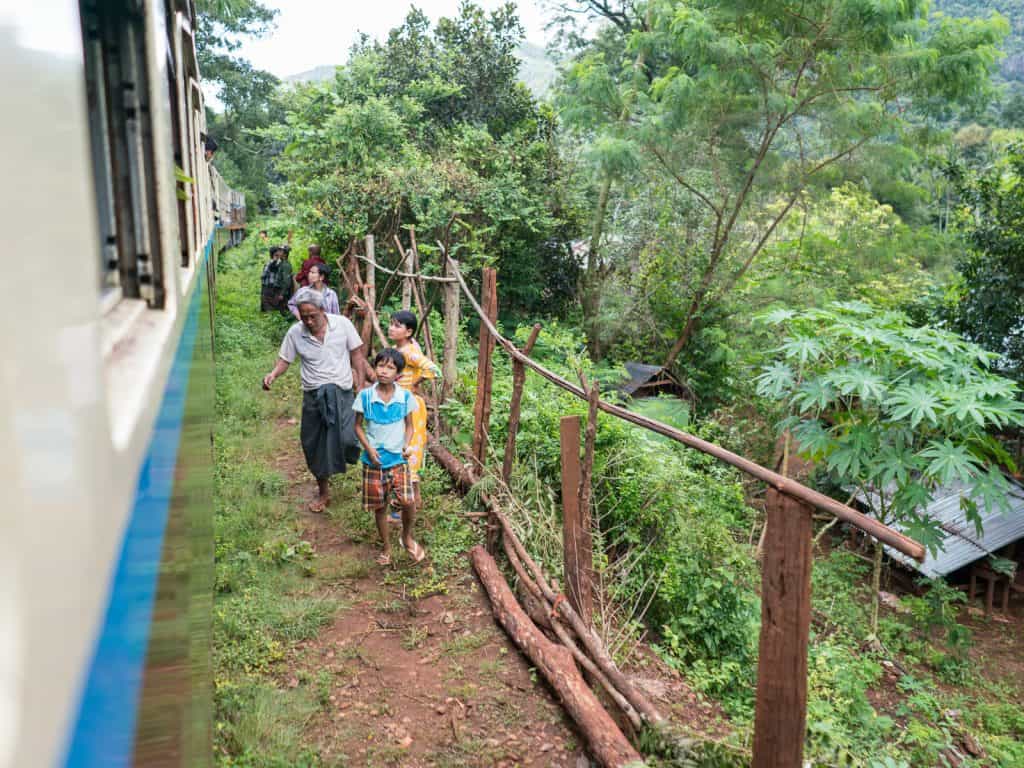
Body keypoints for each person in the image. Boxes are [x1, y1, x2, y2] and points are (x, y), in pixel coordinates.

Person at [262, 288, 368, 512]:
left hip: (342, 391)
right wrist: (272, 375)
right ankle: (323, 492)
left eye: (313, 315)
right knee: (313, 444)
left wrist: (360, 383)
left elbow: (357, 354)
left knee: (349, 439)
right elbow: (285, 360)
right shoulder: (295, 333)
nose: (308, 321)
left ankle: (345, 460)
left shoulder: (342, 325)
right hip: (314, 395)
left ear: (323, 309)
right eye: (304, 316)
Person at [352, 349, 426, 566]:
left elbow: (410, 426)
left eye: (390, 367)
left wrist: (405, 444)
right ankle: (386, 547)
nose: (384, 371)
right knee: (380, 506)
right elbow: (357, 426)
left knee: (408, 501)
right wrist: (369, 449)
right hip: (374, 462)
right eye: (380, 366)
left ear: (399, 375)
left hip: (398, 460)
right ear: (375, 368)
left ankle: (407, 536)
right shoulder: (365, 396)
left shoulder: (404, 397)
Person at [388, 310, 441, 521]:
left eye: (397, 325)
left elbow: (434, 369)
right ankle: (415, 499)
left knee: (407, 452)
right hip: (399, 405)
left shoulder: (409, 352)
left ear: (409, 331)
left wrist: (415, 383)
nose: (391, 328)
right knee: (406, 450)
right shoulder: (397, 349)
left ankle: (403, 508)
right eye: (391, 324)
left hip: (410, 407)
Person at [260, 245, 289, 313]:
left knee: (275, 304)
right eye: (276, 255)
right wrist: (272, 264)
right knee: (267, 304)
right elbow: (263, 276)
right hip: (267, 287)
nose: (278, 257)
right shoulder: (269, 264)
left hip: (275, 288)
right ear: (272, 255)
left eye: (279, 255)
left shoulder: (281, 264)